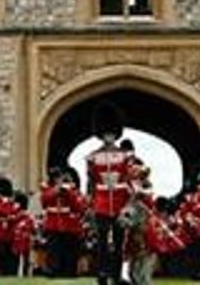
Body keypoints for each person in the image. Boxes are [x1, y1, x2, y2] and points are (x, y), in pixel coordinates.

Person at [86, 104, 134, 285]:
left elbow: (129, 180)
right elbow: (90, 182)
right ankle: (102, 273)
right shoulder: (93, 156)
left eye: (111, 134)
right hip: (101, 201)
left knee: (120, 241)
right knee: (102, 241)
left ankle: (116, 274)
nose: (108, 137)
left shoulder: (124, 156)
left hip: (120, 201)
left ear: (116, 134)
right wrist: (90, 204)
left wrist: (129, 204)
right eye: (106, 134)